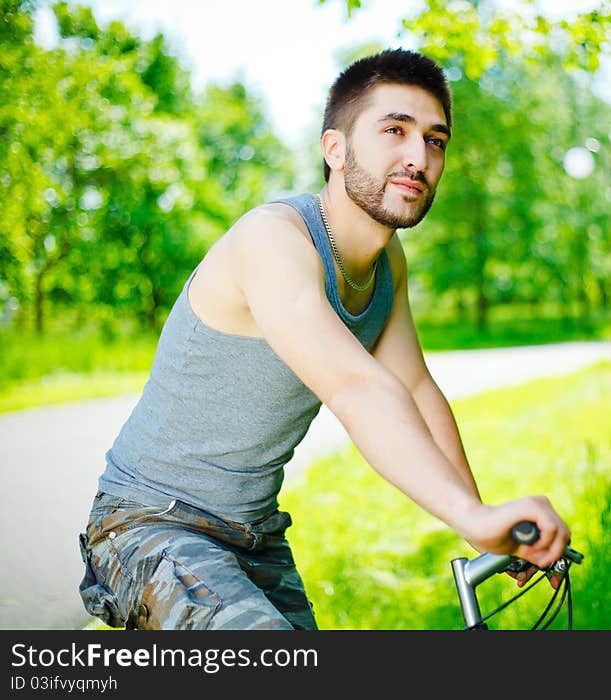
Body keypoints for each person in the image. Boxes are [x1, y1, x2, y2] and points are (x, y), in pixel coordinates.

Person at [77, 48, 571, 630]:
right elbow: (356, 386)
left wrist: (481, 521)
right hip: (149, 524)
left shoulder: (389, 262)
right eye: (395, 130)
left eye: (435, 140)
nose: (418, 157)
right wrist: (470, 512)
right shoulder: (274, 239)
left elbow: (413, 388)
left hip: (254, 535)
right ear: (334, 150)